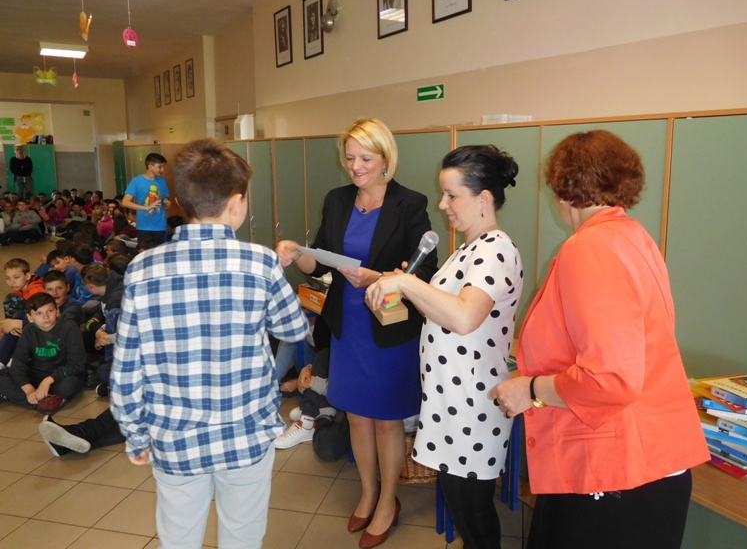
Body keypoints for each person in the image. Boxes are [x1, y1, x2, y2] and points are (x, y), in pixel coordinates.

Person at [490, 130, 710, 549]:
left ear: (562, 190)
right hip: (651, 459)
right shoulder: (634, 237)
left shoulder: (588, 249)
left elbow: (610, 379)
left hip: (616, 471)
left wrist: (529, 390)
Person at [111, 138, 309, 549]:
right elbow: (293, 329)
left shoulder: (142, 269)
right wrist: (275, 276)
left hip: (175, 439)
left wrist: (136, 435)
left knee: (179, 537)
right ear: (236, 203)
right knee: (243, 534)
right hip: (246, 434)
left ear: (181, 200)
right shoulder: (260, 262)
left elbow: (127, 369)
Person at [276, 117, 437, 549]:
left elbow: (426, 272)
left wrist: (378, 276)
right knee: (358, 417)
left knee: (385, 420)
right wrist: (296, 253)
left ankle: (387, 500)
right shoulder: (338, 199)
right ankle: (367, 492)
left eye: (365, 158)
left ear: (386, 158)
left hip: (387, 328)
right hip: (347, 327)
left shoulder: (410, 203)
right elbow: (320, 263)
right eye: (349, 158)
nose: (355, 167)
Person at [367, 145, 522, 549]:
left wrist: (407, 283)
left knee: (473, 513)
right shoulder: (469, 248)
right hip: (451, 400)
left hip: (472, 405)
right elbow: (443, 312)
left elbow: (465, 317)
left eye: (452, 195)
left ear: (483, 198)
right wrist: (411, 288)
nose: (442, 204)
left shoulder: (495, 249)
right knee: (461, 504)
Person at [0, 293, 85, 414]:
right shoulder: (29, 330)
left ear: (57, 311)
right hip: (37, 373)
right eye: (39, 313)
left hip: (60, 375)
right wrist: (28, 389)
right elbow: (18, 363)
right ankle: (44, 401)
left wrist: (48, 380)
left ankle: (40, 399)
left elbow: (76, 364)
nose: (46, 317)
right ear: (30, 318)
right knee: (3, 376)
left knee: (69, 384)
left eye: (50, 311)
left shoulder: (69, 327)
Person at [120, 152, 172, 249]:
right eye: (160, 167)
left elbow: (163, 197)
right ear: (150, 166)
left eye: (163, 167)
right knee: (144, 251)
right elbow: (125, 202)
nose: (162, 170)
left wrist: (166, 202)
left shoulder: (162, 181)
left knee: (160, 251)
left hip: (160, 225)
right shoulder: (136, 181)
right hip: (144, 225)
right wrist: (146, 208)